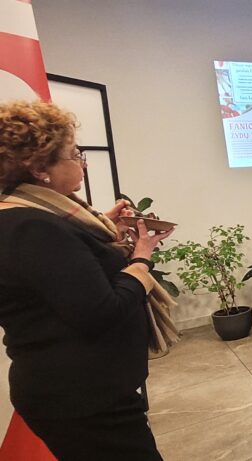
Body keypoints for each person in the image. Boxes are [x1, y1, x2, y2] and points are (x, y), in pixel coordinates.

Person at [0, 100, 173, 459]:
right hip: (81, 396)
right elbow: (102, 311)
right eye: (74, 154)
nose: (83, 163)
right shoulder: (33, 227)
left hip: (78, 389)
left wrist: (105, 230)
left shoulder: (28, 215)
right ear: (39, 168)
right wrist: (141, 259)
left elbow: (69, 266)